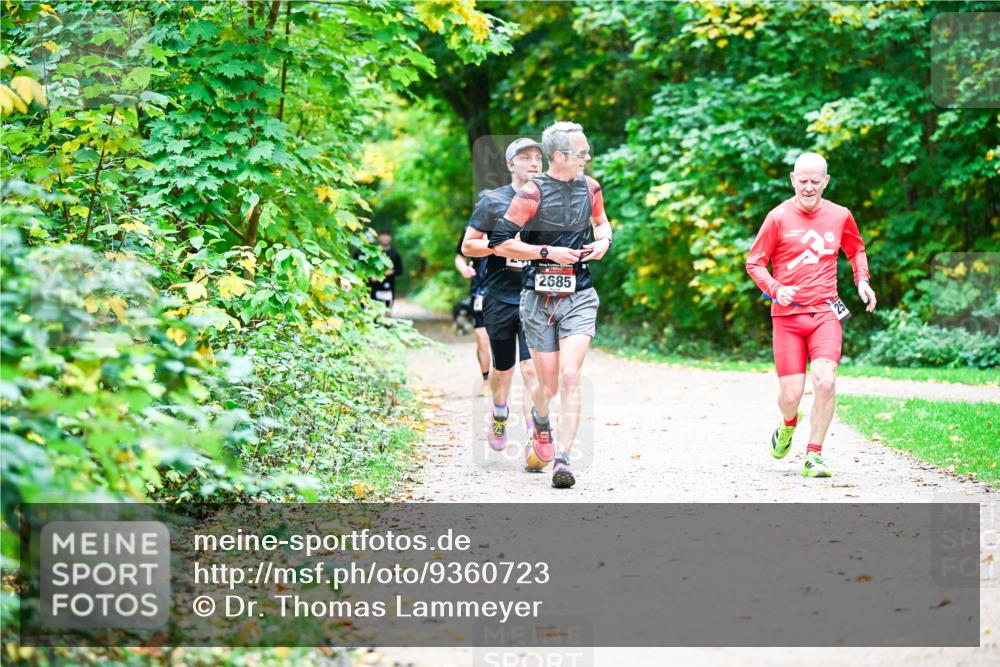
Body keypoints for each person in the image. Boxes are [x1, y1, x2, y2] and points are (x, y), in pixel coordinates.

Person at [490, 122, 613, 489]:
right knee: (549, 386)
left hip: (580, 293)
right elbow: (500, 243)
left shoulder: (591, 188)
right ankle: (540, 420)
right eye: (582, 153)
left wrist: (604, 243)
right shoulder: (531, 193)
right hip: (538, 299)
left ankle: (563, 459)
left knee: (571, 375)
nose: (587, 158)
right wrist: (547, 252)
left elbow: (602, 224)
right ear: (559, 156)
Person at [746, 152, 877, 478]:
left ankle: (814, 455)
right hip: (787, 318)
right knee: (791, 396)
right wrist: (775, 288)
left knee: (825, 381)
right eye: (802, 181)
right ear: (793, 180)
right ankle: (788, 423)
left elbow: (856, 249)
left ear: (825, 182)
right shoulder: (777, 218)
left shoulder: (840, 215)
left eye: (814, 181)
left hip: (825, 313)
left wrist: (862, 280)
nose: (808, 187)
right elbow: (754, 262)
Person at [461, 138, 543, 452]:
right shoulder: (493, 201)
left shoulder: (549, 201)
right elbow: (469, 246)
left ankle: (535, 431)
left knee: (532, 367)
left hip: (536, 295)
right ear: (510, 164)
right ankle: (499, 414)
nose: (534, 162)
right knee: (504, 367)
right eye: (525, 157)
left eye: (537, 157)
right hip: (499, 295)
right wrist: (503, 245)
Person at [455, 233, 491, 382]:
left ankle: (500, 378)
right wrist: (464, 269)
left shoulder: (511, 226)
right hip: (479, 291)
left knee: (500, 339)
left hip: (505, 291)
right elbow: (460, 257)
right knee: (483, 337)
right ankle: (486, 379)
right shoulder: (474, 228)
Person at [370, 229, 404, 313]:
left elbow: (400, 270)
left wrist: (392, 272)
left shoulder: (395, 254)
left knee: (388, 312)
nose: (385, 238)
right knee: (374, 312)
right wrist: (371, 277)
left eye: (387, 235)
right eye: (383, 235)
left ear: (390, 237)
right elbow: (367, 268)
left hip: (389, 287)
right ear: (379, 237)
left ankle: (387, 320)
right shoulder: (373, 252)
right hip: (375, 287)